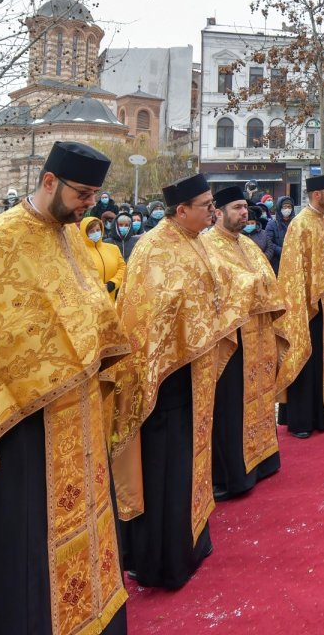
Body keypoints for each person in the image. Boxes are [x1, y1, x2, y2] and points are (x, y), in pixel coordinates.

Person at [0, 142, 132, 635]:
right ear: (49, 182)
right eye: (82, 193)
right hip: (19, 423)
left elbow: (91, 311)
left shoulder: (73, 239)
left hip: (76, 413)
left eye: (94, 194)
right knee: (26, 547)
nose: (89, 203)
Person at [111, 174, 245, 589]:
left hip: (191, 371)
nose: (212, 211)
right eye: (205, 205)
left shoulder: (192, 241)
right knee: (166, 467)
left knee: (188, 462)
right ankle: (164, 559)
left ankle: (190, 540)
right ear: (180, 210)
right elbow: (153, 316)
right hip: (164, 382)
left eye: (212, 205)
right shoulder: (154, 249)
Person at [202, 185, 284, 499]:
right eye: (236, 208)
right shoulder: (208, 245)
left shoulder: (248, 245)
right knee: (230, 407)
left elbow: (267, 280)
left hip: (258, 335)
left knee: (260, 397)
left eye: (245, 207)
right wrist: (253, 285)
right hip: (231, 340)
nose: (243, 212)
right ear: (217, 212)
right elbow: (219, 286)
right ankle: (232, 475)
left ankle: (262, 459)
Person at [274, 174, 324, 437]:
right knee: (309, 360)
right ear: (317, 194)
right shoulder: (300, 224)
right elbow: (293, 270)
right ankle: (303, 419)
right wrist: (302, 303)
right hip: (310, 306)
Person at [81, 214, 127, 299]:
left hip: (112, 298)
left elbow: (122, 268)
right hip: (90, 298)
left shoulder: (113, 248)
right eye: (91, 231)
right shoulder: (80, 252)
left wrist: (113, 283)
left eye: (98, 230)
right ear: (84, 233)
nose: (96, 233)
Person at [263, 194, 295, 273]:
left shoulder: (296, 223)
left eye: (289, 207)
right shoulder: (272, 224)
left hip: (293, 260)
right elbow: (268, 242)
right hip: (277, 262)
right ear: (279, 208)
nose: (287, 209)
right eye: (284, 207)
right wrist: (282, 251)